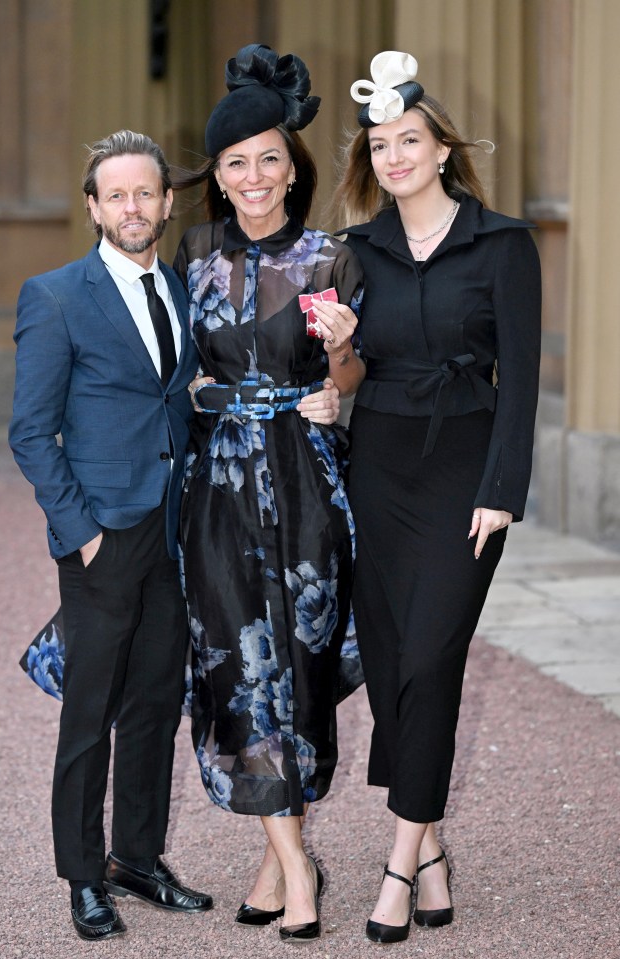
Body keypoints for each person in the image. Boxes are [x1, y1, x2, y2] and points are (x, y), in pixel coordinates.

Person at [315, 52, 541, 944]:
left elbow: (518, 379)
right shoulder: (360, 248)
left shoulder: (502, 244)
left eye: (409, 139)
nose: (394, 156)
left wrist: (501, 490)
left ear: (441, 148)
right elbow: (350, 370)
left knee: (430, 661)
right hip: (379, 468)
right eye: (379, 145)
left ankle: (397, 865)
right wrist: (337, 352)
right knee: (390, 664)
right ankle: (435, 851)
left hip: (462, 474)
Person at [172, 44, 363, 943]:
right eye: (235, 162)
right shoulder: (195, 252)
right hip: (218, 487)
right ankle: (298, 868)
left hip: (305, 482)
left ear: (294, 166)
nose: (254, 177)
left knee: (299, 669)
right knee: (240, 669)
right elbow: (176, 374)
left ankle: (277, 856)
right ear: (218, 175)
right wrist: (205, 395)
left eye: (268, 159)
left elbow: (357, 368)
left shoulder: (332, 257)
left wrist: (336, 372)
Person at [9, 130, 214, 942]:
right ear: (93, 207)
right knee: (88, 713)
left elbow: (181, 396)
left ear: (166, 202)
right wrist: (79, 530)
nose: (133, 207)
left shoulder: (184, 288)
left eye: (145, 192)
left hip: (174, 527)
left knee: (157, 704)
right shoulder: (55, 294)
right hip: (103, 533)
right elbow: (30, 432)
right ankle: (83, 876)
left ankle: (138, 856)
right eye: (116, 194)